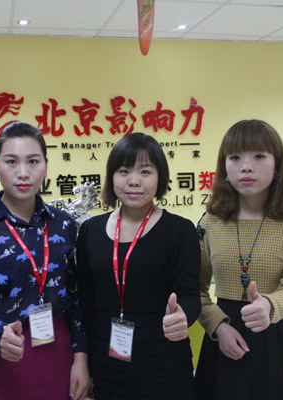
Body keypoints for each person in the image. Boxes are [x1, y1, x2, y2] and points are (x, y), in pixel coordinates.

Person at [0, 121, 90, 400]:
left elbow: (76, 299)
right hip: (0, 358)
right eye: (11, 161)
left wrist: (81, 358)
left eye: (33, 161)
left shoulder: (63, 224)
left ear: (46, 166)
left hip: (57, 355)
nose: (23, 172)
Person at [195, 119, 283, 400]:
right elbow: (196, 288)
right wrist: (218, 326)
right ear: (224, 167)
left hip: (277, 341)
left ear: (278, 164)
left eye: (259, 156)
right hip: (223, 340)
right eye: (235, 157)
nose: (246, 166)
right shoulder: (210, 221)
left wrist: (268, 305)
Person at [76, 132, 201, 400]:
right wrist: (85, 362)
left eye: (145, 171)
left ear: (160, 177)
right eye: (124, 171)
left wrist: (184, 316)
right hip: (107, 365)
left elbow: (190, 295)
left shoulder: (180, 231)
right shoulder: (90, 231)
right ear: (111, 176)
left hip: (164, 364)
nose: (134, 180)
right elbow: (85, 303)